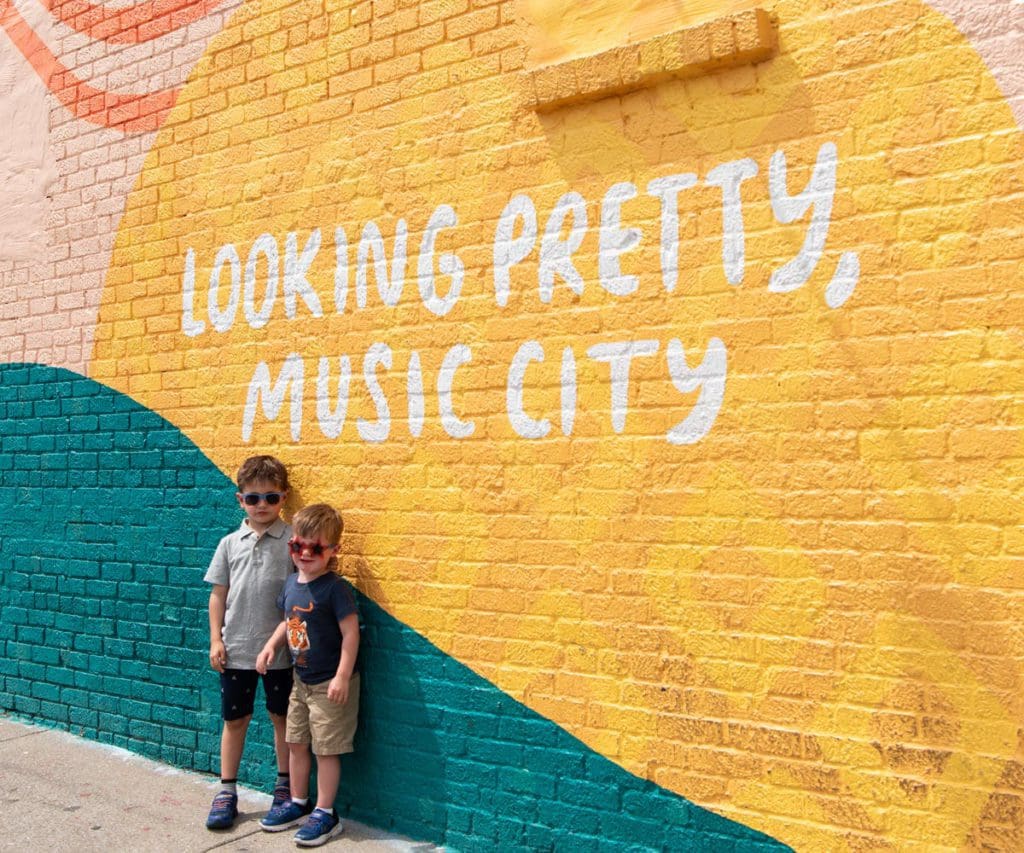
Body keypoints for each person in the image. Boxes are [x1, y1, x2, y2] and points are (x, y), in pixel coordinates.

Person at [256, 503, 360, 847]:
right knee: (296, 742)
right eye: (297, 546)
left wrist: (343, 676)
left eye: (315, 548)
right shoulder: (291, 583)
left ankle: (326, 812)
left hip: (329, 683)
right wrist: (271, 646)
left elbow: (351, 634)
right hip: (300, 680)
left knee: (326, 749)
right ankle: (299, 802)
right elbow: (288, 621)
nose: (304, 554)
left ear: (333, 551)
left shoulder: (334, 588)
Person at [203, 455, 295, 830]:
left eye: (270, 498)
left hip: (281, 653)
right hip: (236, 648)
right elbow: (217, 595)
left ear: (283, 498)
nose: (262, 506)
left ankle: (285, 787)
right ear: (240, 499)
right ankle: (226, 791)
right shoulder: (229, 543)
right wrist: (215, 640)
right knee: (235, 718)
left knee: (282, 718)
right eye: (253, 498)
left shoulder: (293, 541)